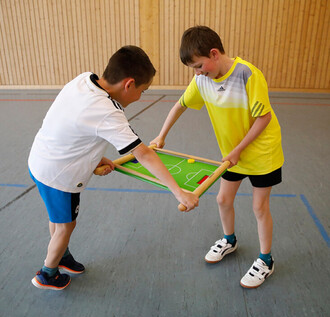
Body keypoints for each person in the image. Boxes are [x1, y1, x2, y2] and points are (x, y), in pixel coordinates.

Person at [28, 45, 199, 290]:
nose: (141, 97)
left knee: (57, 218)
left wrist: (95, 159)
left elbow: (70, 125)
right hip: (59, 175)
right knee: (66, 225)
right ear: (129, 84)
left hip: (40, 160)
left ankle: (61, 257)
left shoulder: (84, 80)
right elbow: (144, 154)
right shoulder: (108, 113)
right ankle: (48, 273)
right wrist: (179, 191)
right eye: (143, 90)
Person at [151, 26, 284, 288]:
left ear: (214, 54)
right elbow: (181, 105)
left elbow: (264, 117)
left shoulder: (247, 74)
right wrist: (161, 135)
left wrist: (237, 150)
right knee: (223, 199)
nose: (198, 73)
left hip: (261, 152)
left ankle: (266, 260)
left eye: (200, 66)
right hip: (232, 155)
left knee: (259, 207)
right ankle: (229, 240)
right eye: (194, 69)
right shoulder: (202, 80)